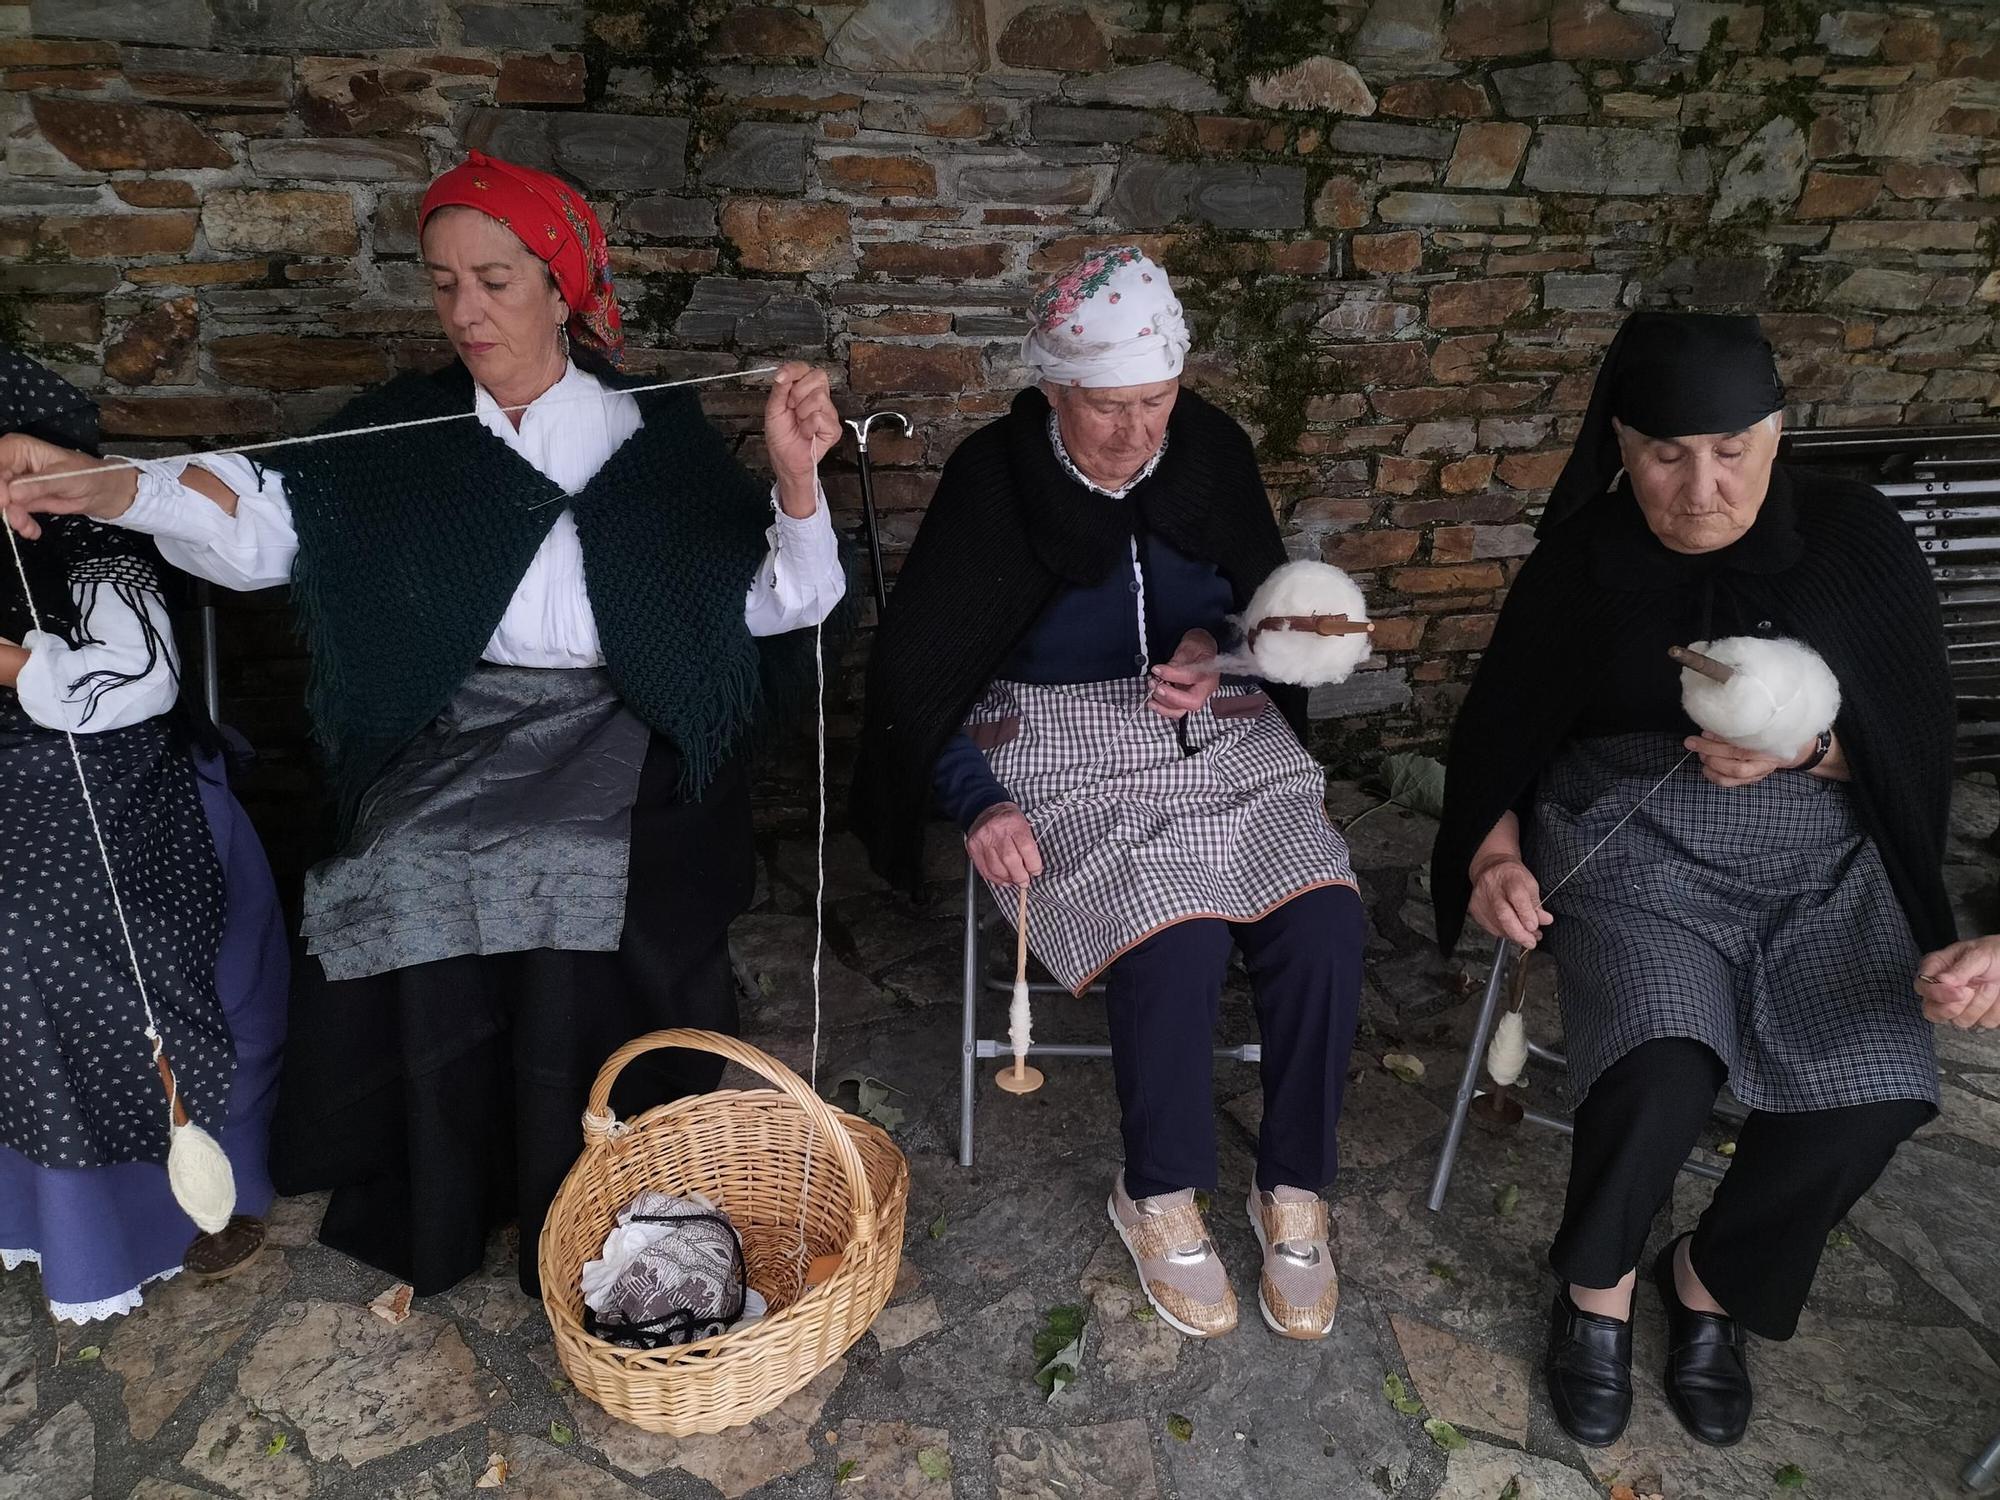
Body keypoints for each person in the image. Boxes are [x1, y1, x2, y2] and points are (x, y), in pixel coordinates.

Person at [0, 151, 847, 1298]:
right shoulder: (408, 430)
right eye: (444, 281)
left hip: (627, 728)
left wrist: (797, 485)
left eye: (495, 279)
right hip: (459, 725)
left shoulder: (650, 440)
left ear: (562, 287)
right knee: (401, 858)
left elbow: (781, 604)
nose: (467, 310)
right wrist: (111, 488)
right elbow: (257, 507)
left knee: (569, 874)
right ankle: (449, 1175)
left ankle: (584, 1164)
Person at [1433, 311, 1954, 1448]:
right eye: (1666, 454)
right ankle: (1598, 1292)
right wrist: (1491, 851)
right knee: (1659, 1067)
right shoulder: (1586, 559)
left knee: (1876, 1084)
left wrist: (1812, 752)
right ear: (1620, 445)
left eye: (1730, 451)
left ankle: (1708, 1279)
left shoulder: (1853, 537)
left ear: (1776, 435)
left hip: (1816, 848)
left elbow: (1916, 736)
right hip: (1633, 841)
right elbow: (1501, 732)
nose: (1701, 487)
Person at [854, 247, 1363, 1341]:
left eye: (1157, 402)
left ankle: (1294, 1188)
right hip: (1049, 742)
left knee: (1322, 919)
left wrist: (1210, 645)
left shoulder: (1208, 447)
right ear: (1052, 390)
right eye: (1108, 409)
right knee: (1172, 939)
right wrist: (976, 800)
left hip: (1209, 727)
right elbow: (919, 671)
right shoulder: (995, 479)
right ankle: (1158, 1189)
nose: (1139, 434)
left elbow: (1262, 609)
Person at [0, 348, 288, 1320]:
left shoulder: (78, 533)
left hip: (91, 760)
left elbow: (141, 680)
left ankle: (129, 1209)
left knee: (33, 926)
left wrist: (9, 666)